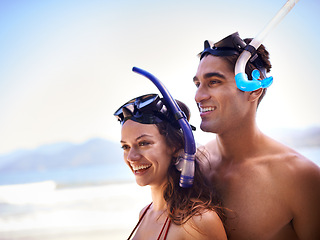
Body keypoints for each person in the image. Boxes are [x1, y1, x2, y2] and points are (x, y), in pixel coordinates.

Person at [193, 32, 320, 240]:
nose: (198, 96)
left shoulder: (301, 179)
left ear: (253, 90)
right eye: (197, 84)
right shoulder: (195, 165)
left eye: (214, 82)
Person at [114, 93, 227, 240]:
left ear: (175, 146)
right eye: (126, 147)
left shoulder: (198, 221)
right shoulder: (145, 213)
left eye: (143, 143)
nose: (131, 157)